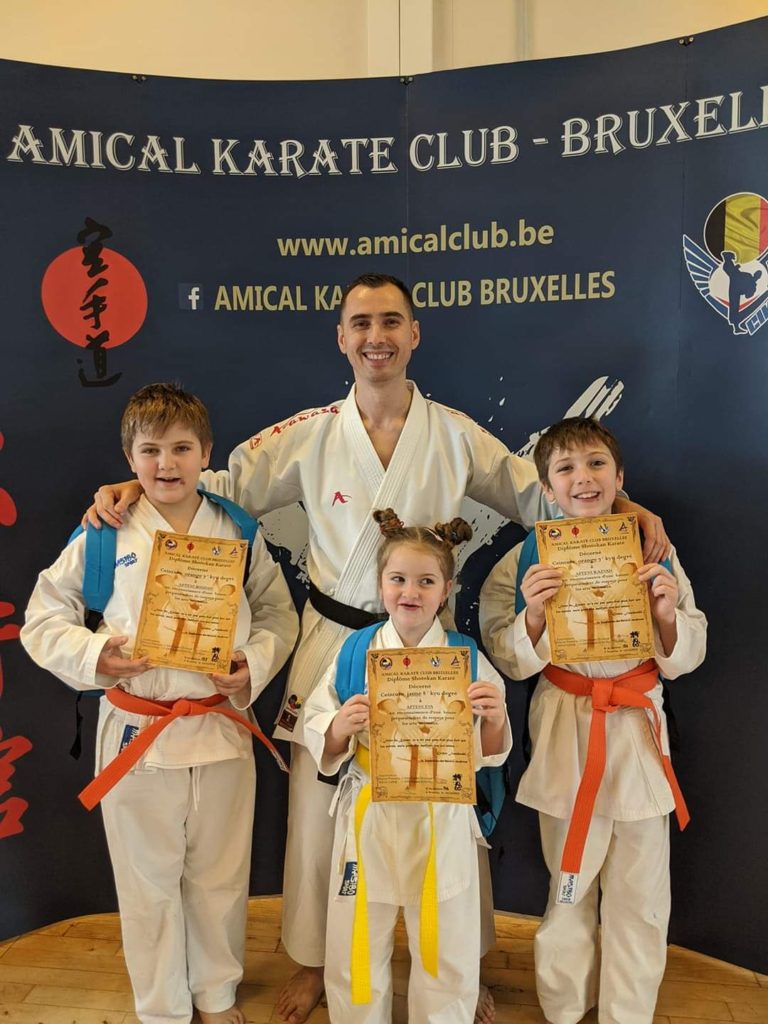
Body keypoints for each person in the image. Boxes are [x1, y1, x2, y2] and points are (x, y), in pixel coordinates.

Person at [86, 274, 669, 1024]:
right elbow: (215, 485)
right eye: (360, 323)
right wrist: (134, 487)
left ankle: (460, 964)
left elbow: (544, 494)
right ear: (341, 337)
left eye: (391, 321)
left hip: (431, 645)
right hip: (334, 638)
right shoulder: (310, 432)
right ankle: (315, 961)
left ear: (414, 333)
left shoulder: (454, 433)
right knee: (318, 807)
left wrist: (627, 505)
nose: (376, 336)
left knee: (447, 800)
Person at [22, 383, 299, 1024]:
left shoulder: (236, 528)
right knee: (146, 881)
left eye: (181, 448)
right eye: (150, 451)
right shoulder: (104, 533)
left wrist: (250, 664)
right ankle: (162, 1008)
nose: (166, 463)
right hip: (137, 727)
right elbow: (43, 617)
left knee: (220, 874)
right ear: (129, 458)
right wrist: (98, 655)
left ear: (206, 453)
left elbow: (278, 614)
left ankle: (216, 993)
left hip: (220, 722)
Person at [479, 417, 706, 1024]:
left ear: (619, 476)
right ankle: (563, 1008)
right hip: (566, 729)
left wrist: (665, 614)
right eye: (566, 468)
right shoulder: (527, 556)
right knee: (569, 882)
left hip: (635, 728)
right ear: (547, 488)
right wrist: (532, 616)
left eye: (596, 463)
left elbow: (690, 649)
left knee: (641, 894)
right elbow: (506, 653)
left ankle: (627, 1014)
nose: (583, 478)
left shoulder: (653, 549)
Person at [303, 509, 512, 1023]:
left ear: (446, 590)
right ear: (381, 585)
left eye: (425, 581)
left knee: (446, 938)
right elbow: (319, 722)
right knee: (356, 935)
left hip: (441, 813)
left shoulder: (465, 656)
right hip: (370, 808)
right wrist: (339, 725)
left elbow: (490, 751)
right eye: (397, 579)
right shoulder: (355, 650)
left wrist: (494, 715)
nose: (410, 592)